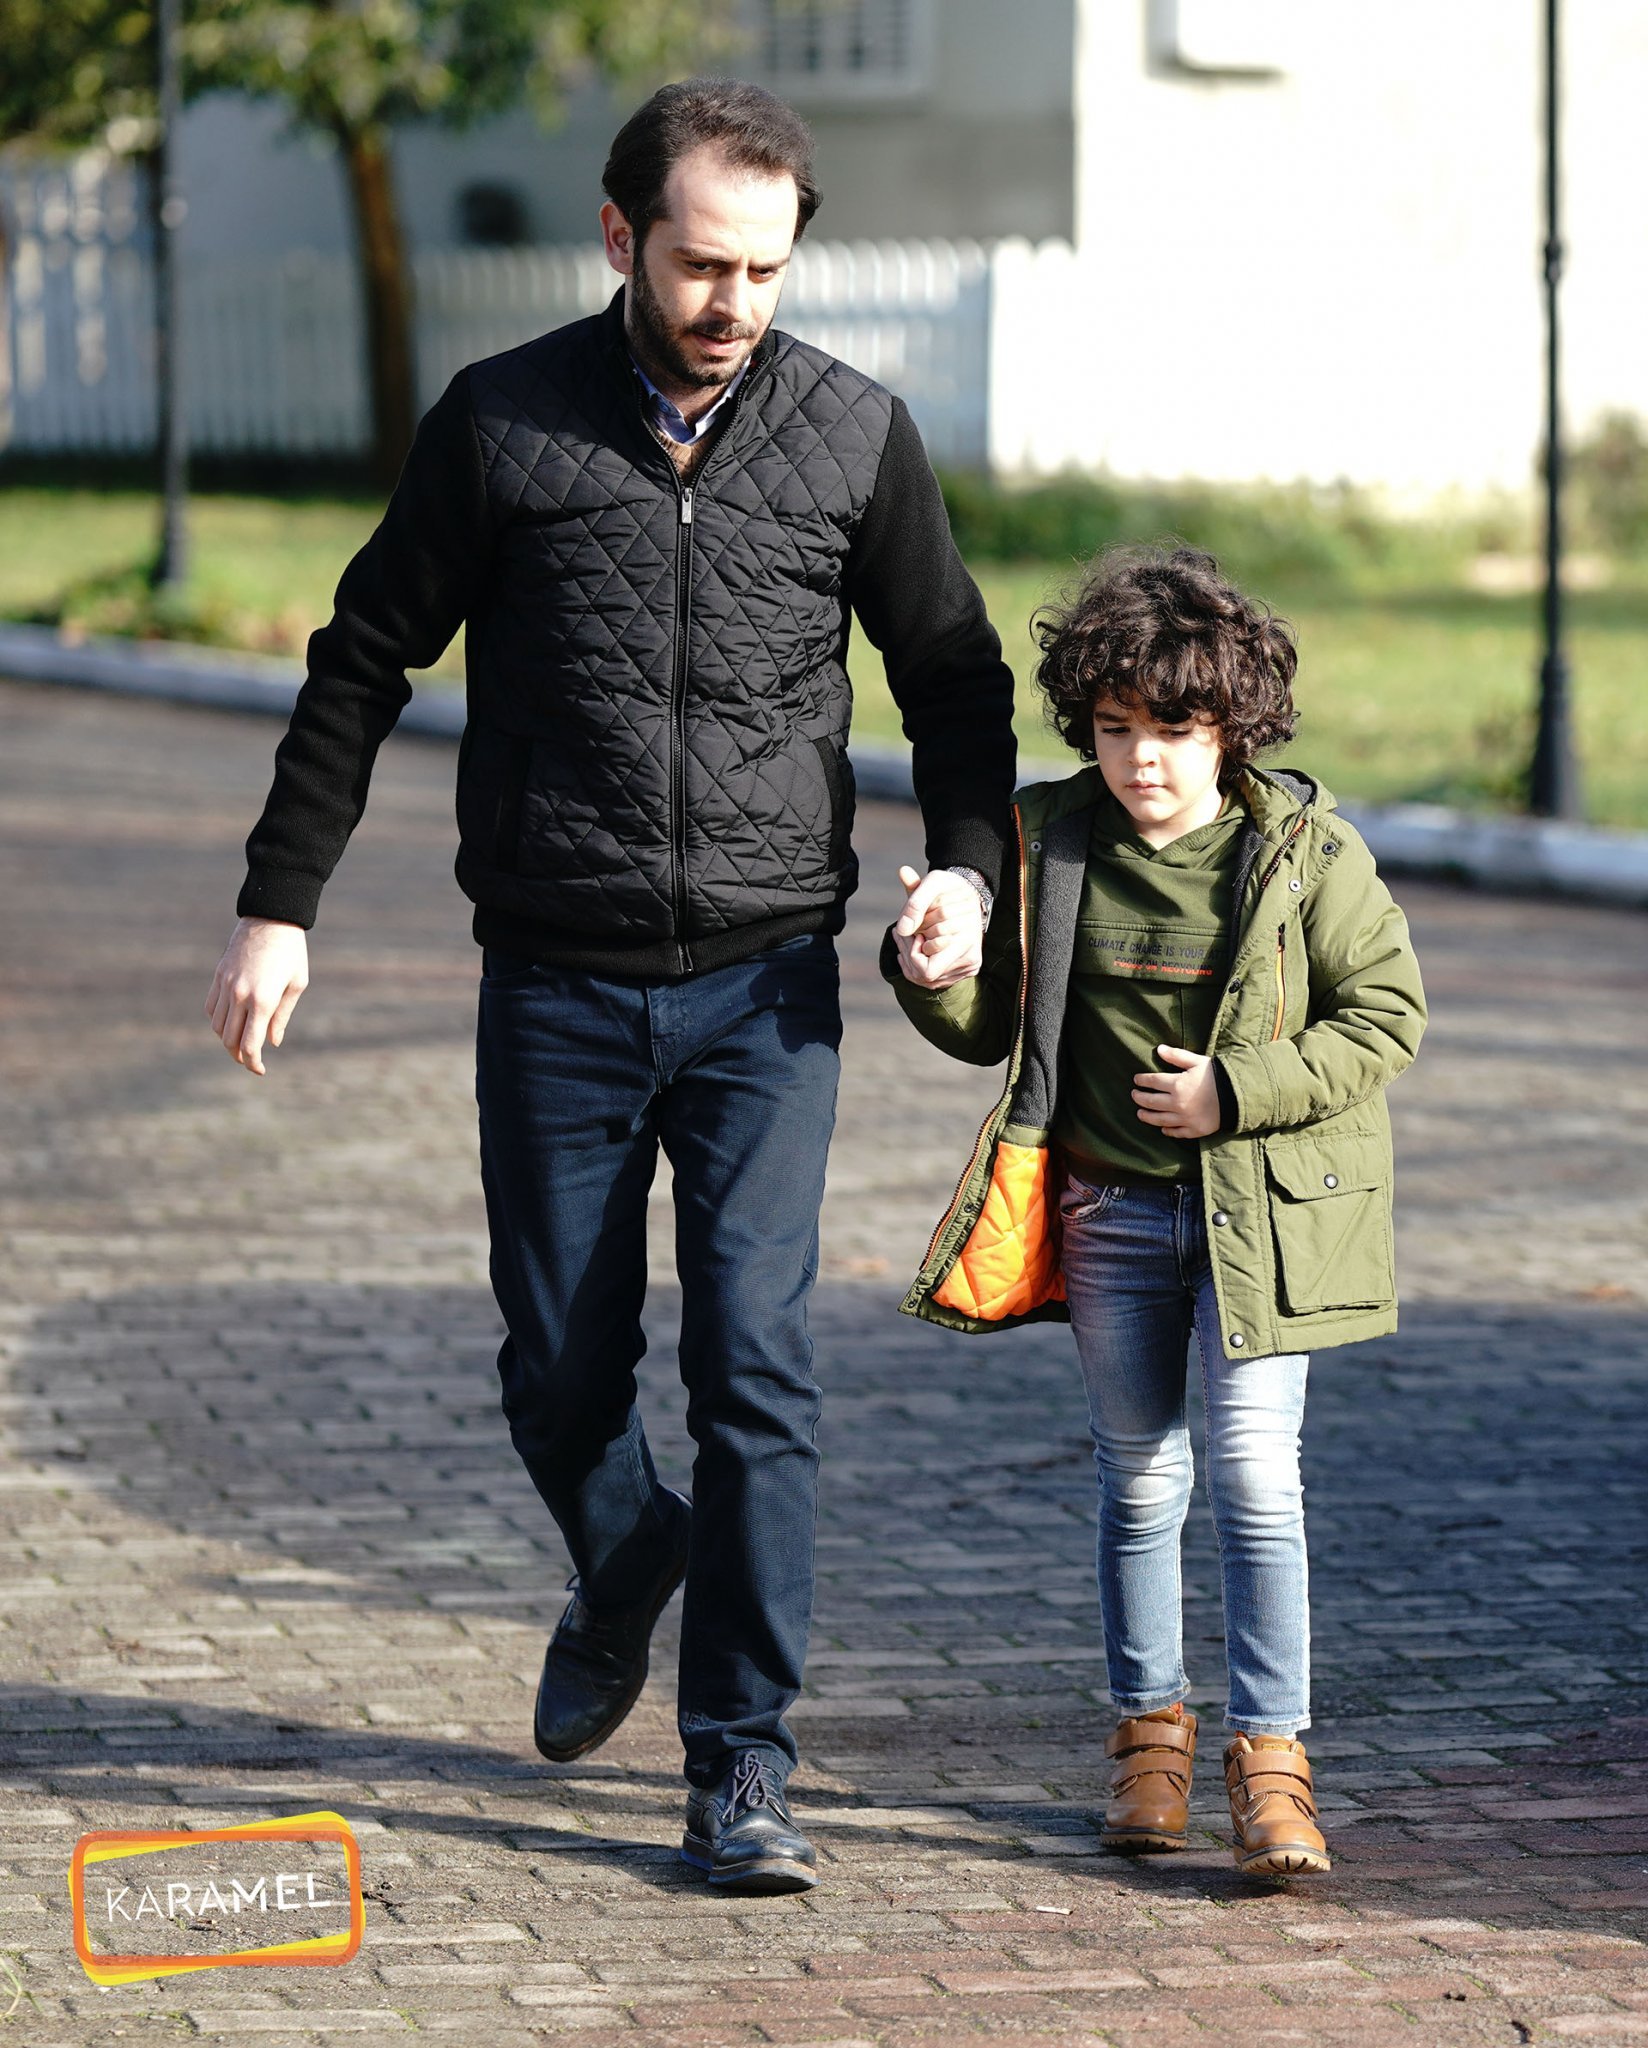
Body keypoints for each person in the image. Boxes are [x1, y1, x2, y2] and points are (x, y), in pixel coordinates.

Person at [204, 78, 1016, 1895]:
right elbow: (361, 660)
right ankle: (627, 1546)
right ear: (620, 237)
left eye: (766, 270)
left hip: (765, 991)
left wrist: (965, 871)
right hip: (556, 983)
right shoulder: (502, 424)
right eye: (702, 263)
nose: (735, 302)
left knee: (759, 1368)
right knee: (559, 1368)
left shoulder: (854, 434)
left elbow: (956, 680)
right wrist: (279, 905)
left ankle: (743, 1767)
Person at [885, 545, 1425, 1875]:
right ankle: (1149, 1746)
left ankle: (1273, 1767)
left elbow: (1387, 1016)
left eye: (1175, 732)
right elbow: (997, 1025)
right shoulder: (1051, 839)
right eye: (1117, 728)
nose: (1143, 761)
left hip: (1266, 1224)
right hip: (1111, 1214)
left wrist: (1234, 1091)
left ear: (1232, 727)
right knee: (1136, 1480)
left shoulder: (1306, 852)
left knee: (1256, 1480)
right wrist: (934, 967)